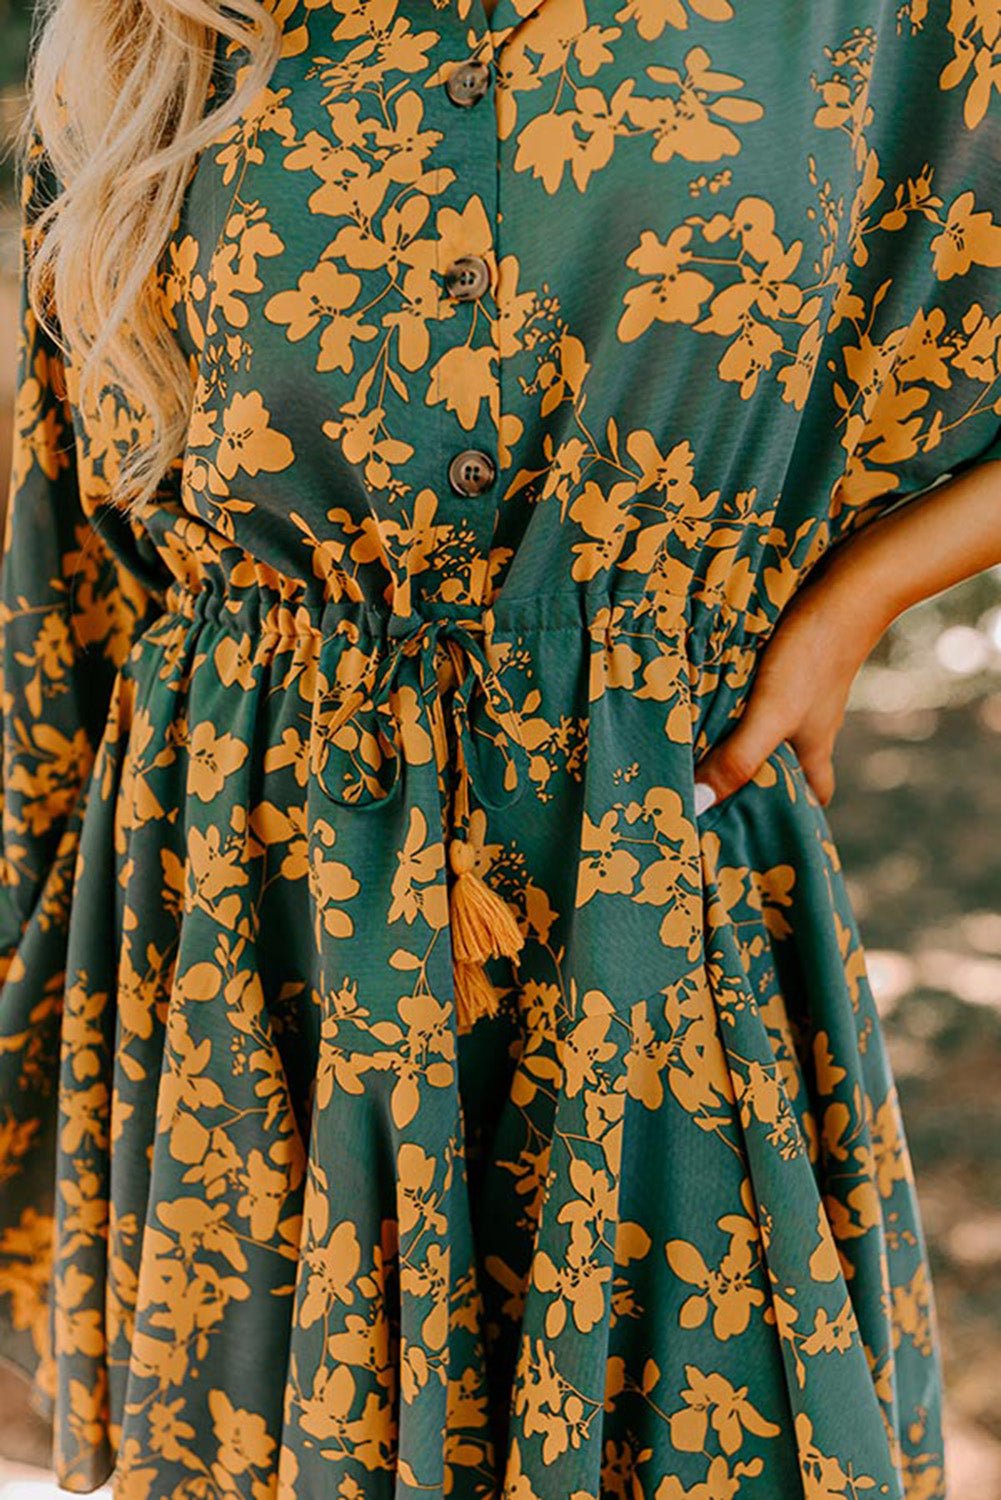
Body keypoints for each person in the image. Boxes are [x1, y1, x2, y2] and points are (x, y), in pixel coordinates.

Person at [0, 0, 998, 1494]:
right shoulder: (159, 29)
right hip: (255, 908)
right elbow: (67, 544)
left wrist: (852, 603)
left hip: (647, 855)